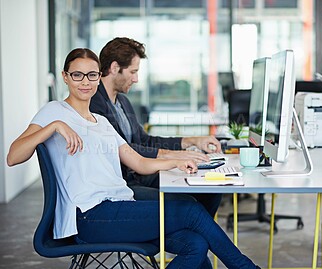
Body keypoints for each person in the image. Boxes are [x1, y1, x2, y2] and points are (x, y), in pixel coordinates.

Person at [7, 48, 260, 269]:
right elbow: (13, 156)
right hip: (90, 216)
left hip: (120, 206)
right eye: (77, 75)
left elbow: (138, 162)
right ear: (65, 77)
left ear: (99, 77)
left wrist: (177, 161)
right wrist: (53, 127)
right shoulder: (54, 111)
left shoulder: (102, 122)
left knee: (195, 243)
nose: (85, 82)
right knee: (191, 211)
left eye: (92, 75)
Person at [90, 37, 222, 216]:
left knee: (210, 190)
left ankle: (191, 237)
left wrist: (192, 141)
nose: (136, 79)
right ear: (114, 68)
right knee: (188, 202)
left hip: (140, 173)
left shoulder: (122, 102)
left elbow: (146, 140)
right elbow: (124, 149)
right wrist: (174, 156)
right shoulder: (95, 104)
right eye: (133, 71)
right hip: (124, 183)